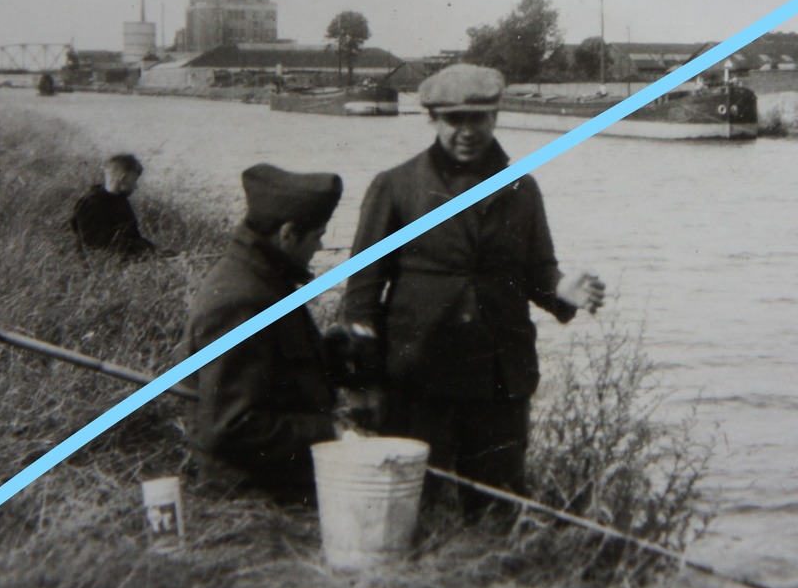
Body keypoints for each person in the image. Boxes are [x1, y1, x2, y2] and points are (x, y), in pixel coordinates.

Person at [342, 63, 605, 512]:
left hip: (499, 376)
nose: (466, 131)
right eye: (454, 120)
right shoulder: (396, 186)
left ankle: (493, 573)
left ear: (495, 118)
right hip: (419, 375)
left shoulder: (522, 187)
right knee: (413, 502)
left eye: (477, 119)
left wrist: (562, 289)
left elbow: (537, 270)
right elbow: (362, 293)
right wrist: (361, 376)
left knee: (498, 503)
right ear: (434, 120)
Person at [185, 163, 347, 499]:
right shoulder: (241, 301)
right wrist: (333, 431)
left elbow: (280, 365)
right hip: (252, 489)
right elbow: (230, 427)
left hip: (273, 473)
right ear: (288, 235)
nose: (318, 248)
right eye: (317, 236)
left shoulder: (263, 277)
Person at [70, 153, 161, 256]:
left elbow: (132, 236)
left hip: (125, 255)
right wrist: (143, 252)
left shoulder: (120, 200)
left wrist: (152, 250)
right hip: (103, 262)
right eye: (134, 181)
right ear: (124, 179)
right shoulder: (92, 204)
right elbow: (95, 245)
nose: (136, 187)